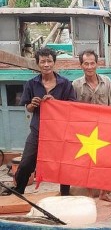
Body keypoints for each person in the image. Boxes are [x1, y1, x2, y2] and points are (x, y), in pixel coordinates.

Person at [10, 47, 75, 195]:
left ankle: (65, 194)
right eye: (43, 61)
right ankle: (19, 190)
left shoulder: (65, 84)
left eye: (49, 61)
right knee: (26, 162)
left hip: (59, 132)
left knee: (63, 164)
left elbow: (71, 107)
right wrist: (32, 104)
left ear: (54, 63)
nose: (46, 64)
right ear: (38, 64)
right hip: (37, 129)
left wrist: (55, 103)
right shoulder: (31, 84)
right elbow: (28, 108)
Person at [72, 49, 111, 202]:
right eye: (86, 64)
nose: (89, 67)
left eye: (92, 63)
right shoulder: (76, 85)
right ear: (81, 65)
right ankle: (90, 194)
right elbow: (74, 109)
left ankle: (104, 193)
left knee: (106, 161)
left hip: (104, 127)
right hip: (86, 130)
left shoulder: (107, 81)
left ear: (97, 64)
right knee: (88, 162)